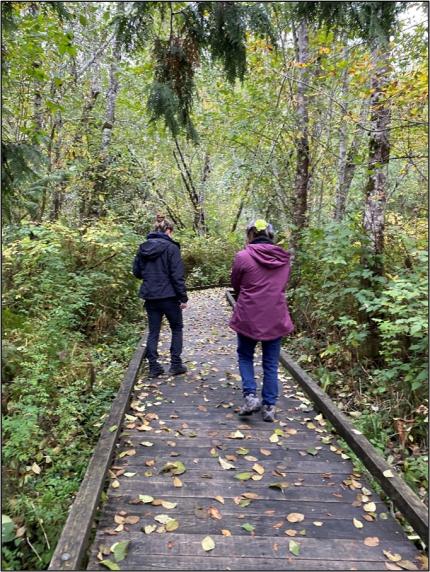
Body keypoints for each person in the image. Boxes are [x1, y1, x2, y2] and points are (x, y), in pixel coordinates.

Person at [229, 219, 294, 422]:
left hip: (249, 315)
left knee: (245, 356)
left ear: (250, 235)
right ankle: (269, 407)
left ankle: (250, 396)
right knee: (271, 363)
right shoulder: (284, 258)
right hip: (275, 315)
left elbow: (235, 284)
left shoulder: (243, 256)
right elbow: (283, 283)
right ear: (271, 235)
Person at [133, 214, 188, 378]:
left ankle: (154, 367)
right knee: (176, 328)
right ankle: (176, 365)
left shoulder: (143, 248)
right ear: (168, 231)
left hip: (150, 296)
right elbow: (177, 275)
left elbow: (136, 272)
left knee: (153, 331)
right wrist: (183, 297)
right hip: (170, 296)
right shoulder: (172, 248)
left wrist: (150, 277)